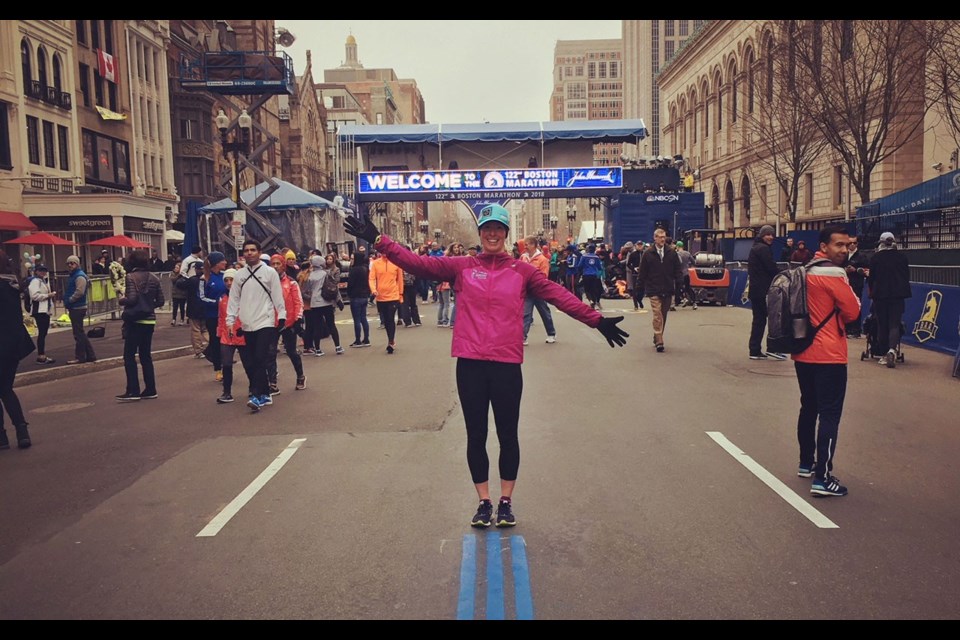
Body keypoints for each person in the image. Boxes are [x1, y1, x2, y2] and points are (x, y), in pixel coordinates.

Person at [342, 203, 628, 528]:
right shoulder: (462, 266)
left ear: (506, 234)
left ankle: (505, 501)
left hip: (506, 365)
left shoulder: (523, 272)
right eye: (487, 228)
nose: (492, 234)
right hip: (471, 365)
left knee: (508, 436)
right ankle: (483, 501)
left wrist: (597, 321)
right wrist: (379, 240)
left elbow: (559, 296)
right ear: (480, 233)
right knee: (476, 436)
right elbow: (417, 264)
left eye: (498, 229)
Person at [792, 225, 861, 497]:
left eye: (847, 245)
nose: (845, 250)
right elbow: (853, 311)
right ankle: (823, 477)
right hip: (830, 354)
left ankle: (806, 463)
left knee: (808, 407)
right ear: (824, 247)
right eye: (839, 245)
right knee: (830, 414)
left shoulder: (805, 271)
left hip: (803, 351)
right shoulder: (833, 273)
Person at [226, 240, 286, 412]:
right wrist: (230, 321)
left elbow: (277, 295)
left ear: (259, 252)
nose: (249, 253)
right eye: (246, 250)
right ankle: (265, 393)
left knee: (260, 358)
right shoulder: (239, 275)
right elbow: (234, 299)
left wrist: (281, 316)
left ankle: (256, 394)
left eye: (253, 250)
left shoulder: (269, 273)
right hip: (247, 323)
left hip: (265, 321)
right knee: (251, 361)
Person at [116, 249, 164, 402]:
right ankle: (150, 389)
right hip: (149, 320)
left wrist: (121, 299)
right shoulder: (155, 278)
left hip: (135, 320)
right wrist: (149, 306)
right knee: (145, 356)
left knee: (129, 356)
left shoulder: (130, 277)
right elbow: (161, 301)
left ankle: (133, 390)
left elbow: (131, 299)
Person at [0, 250, 32, 449]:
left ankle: (2, 437)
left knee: (3, 389)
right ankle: (21, 430)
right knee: (5, 389)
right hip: (12, 345)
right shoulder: (11, 285)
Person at [868, 231, 912, 368]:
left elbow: (871, 278)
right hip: (898, 295)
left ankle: (884, 354)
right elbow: (906, 276)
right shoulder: (902, 257)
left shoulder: (876, 258)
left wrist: (872, 292)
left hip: (880, 295)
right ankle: (893, 349)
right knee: (894, 323)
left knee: (882, 324)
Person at [637, 228, 683, 353]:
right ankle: (659, 340)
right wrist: (638, 290)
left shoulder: (671, 253)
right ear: (654, 238)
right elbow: (642, 273)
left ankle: (658, 334)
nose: (662, 239)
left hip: (668, 288)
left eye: (664, 237)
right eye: (659, 237)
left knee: (664, 314)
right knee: (657, 314)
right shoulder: (648, 254)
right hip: (654, 289)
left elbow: (677, 271)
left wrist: (680, 286)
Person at [267, 254, 306, 393]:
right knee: (270, 353)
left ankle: (300, 376)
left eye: (278, 264)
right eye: (273, 264)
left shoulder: (291, 282)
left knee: (291, 351)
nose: (276, 266)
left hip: (288, 322)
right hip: (271, 322)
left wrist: (298, 319)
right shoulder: (266, 283)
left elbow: (298, 302)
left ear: (283, 265)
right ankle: (272, 383)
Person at [747, 225, 786, 360]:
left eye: (772, 235)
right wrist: (783, 273)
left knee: (759, 319)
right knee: (773, 319)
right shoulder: (763, 249)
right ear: (762, 236)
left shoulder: (756, 247)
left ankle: (754, 349)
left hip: (756, 290)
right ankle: (773, 348)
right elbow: (770, 267)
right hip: (763, 290)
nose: (770, 237)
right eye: (767, 235)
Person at [520, 235, 557, 345]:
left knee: (544, 312)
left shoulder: (542, 260)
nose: (525, 246)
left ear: (533, 245)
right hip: (527, 291)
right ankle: (523, 337)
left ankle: (551, 333)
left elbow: (544, 276)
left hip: (539, 291)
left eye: (527, 244)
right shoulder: (523, 257)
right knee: (526, 314)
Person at [216, 268, 245, 404]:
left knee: (249, 364)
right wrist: (219, 332)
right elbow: (221, 318)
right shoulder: (222, 298)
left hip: (243, 334)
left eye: (231, 280)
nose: (228, 283)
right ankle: (226, 392)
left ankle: (253, 389)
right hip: (227, 336)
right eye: (226, 280)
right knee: (226, 365)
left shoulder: (244, 296)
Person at [368, 245, 404, 354]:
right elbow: (372, 278)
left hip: (393, 296)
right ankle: (390, 339)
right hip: (380, 297)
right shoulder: (376, 263)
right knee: (385, 320)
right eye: (382, 252)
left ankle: (391, 341)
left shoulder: (396, 263)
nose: (384, 253)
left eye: (386, 252)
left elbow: (400, 280)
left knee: (390, 318)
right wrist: (373, 290)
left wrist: (400, 294)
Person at [198, 251, 228, 381]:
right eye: (223, 260)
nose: (225, 262)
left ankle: (227, 366)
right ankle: (218, 369)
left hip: (226, 315)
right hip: (212, 316)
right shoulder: (204, 278)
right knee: (215, 342)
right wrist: (216, 302)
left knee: (226, 342)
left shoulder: (225, 276)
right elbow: (201, 297)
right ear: (216, 263)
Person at [63, 255, 97, 365]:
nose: (70, 265)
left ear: (77, 264)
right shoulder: (76, 275)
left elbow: (80, 292)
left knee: (78, 334)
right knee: (80, 332)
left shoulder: (79, 276)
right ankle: (90, 355)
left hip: (77, 307)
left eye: (72, 263)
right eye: (68, 263)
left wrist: (70, 300)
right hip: (76, 306)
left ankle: (80, 356)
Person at [28, 264, 56, 364]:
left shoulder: (43, 281)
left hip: (44, 310)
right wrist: (48, 295)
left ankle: (42, 354)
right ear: (36, 271)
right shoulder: (35, 281)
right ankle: (41, 355)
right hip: (39, 310)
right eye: (41, 270)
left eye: (44, 270)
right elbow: (34, 296)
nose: (43, 272)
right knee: (42, 333)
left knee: (43, 332)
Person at [843, 234, 870, 338]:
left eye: (854, 243)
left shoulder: (861, 256)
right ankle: (846, 328)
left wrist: (856, 270)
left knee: (856, 306)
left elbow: (867, 270)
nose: (852, 245)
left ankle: (855, 330)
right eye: (850, 243)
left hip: (856, 284)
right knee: (844, 306)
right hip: (845, 284)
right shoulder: (844, 255)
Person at [346, 250, 372, 347]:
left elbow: (350, 284)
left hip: (355, 296)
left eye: (353, 258)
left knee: (356, 319)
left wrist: (349, 293)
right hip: (364, 296)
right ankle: (366, 339)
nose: (351, 260)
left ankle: (358, 340)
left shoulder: (354, 270)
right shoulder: (365, 269)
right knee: (363, 318)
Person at [579, 243, 604, 310]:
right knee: (593, 289)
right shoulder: (596, 257)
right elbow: (599, 267)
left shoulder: (584, 256)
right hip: (594, 275)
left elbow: (580, 265)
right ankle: (595, 302)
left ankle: (590, 300)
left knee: (587, 289)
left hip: (586, 274)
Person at [674, 241, 697, 309]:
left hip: (679, 274)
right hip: (686, 273)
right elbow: (694, 262)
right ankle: (694, 302)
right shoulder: (687, 253)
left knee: (678, 288)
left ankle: (683, 299)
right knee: (688, 288)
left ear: (677, 247)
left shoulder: (676, 254)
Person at [626, 241, 644, 310]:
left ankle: (639, 299)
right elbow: (628, 264)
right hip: (635, 274)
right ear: (635, 246)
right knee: (635, 289)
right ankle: (635, 305)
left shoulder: (645, 254)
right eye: (638, 245)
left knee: (642, 289)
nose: (639, 246)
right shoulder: (633, 254)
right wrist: (633, 268)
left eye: (641, 245)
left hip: (643, 274)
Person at [169, 260, 188, 326]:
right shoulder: (173, 273)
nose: (175, 269)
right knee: (175, 307)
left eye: (177, 268)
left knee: (182, 307)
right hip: (175, 293)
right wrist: (178, 275)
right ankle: (174, 319)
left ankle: (182, 319)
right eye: (175, 267)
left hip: (182, 294)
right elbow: (173, 280)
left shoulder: (184, 274)